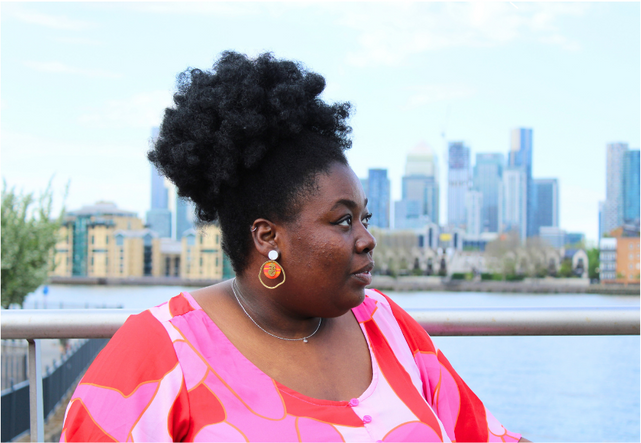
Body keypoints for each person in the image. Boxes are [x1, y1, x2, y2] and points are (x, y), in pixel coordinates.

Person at [60, 51, 528, 442]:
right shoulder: (161, 352)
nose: (367, 239)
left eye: (365, 218)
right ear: (267, 237)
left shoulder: (384, 325)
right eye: (343, 221)